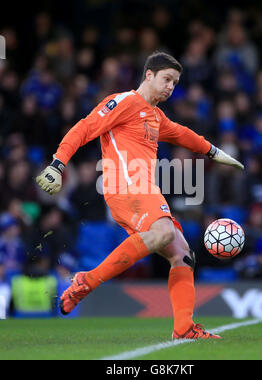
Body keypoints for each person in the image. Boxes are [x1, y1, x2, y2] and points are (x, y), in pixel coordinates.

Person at [36, 52, 244, 340]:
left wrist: (215, 153)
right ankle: (87, 280)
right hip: (126, 186)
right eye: (166, 79)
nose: (171, 86)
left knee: (183, 255)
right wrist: (58, 164)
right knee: (163, 232)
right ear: (149, 75)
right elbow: (84, 127)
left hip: (143, 190)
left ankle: (184, 328)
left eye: (175, 82)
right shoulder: (124, 102)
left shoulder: (155, 116)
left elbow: (182, 134)